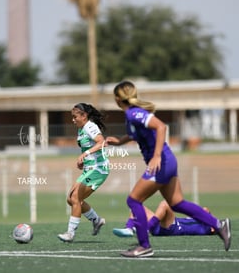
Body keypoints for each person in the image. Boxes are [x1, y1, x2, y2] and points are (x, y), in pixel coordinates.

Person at [106, 81, 231, 257]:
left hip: (162, 162)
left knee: (134, 201)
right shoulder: (131, 116)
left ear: (118, 98)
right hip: (167, 161)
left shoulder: (135, 113)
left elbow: (161, 126)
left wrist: (156, 155)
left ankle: (144, 246)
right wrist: (120, 141)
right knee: (177, 203)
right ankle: (219, 225)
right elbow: (136, 134)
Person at [57, 103, 110, 242]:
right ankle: (96, 220)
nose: (73, 120)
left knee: (75, 198)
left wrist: (85, 154)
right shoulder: (81, 129)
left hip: (98, 169)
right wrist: (83, 161)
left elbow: (102, 142)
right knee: (71, 199)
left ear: (84, 116)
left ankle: (70, 234)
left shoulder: (90, 126)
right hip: (89, 169)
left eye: (75, 117)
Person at [113, 200, 215, 237]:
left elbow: (206, 210)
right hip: (162, 225)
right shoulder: (199, 220)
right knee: (137, 206)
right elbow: (205, 209)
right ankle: (129, 229)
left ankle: (147, 229)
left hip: (174, 228)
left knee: (165, 204)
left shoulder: (206, 228)